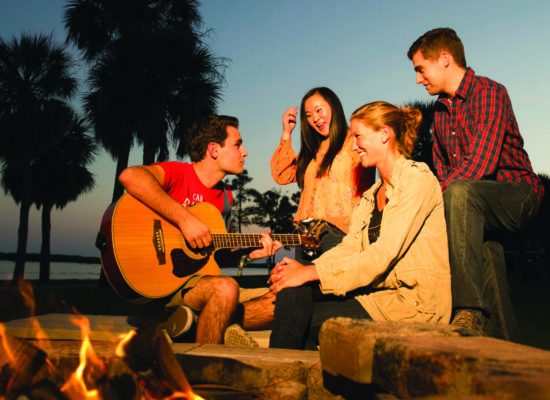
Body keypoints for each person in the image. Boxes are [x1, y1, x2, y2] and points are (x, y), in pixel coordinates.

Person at [268, 101, 452, 350]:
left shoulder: (417, 181)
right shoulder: (370, 197)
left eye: (358, 136)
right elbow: (349, 248)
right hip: (378, 296)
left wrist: (311, 272)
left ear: (384, 134)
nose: (354, 146)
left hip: (412, 305)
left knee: (305, 318)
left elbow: (383, 254)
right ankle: (287, 373)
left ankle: (279, 371)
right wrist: (303, 270)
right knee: (293, 288)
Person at [407, 28, 544, 342]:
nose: (418, 79)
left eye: (420, 69)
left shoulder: (489, 92)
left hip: (518, 194)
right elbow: (445, 176)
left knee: (459, 192)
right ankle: (508, 350)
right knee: (487, 262)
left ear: (444, 59)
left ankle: (467, 309)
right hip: (473, 204)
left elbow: (478, 166)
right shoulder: (440, 114)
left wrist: (424, 201)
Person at [118, 114, 282, 345]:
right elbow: (130, 176)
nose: (245, 152)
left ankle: (194, 322)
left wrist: (248, 252)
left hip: (200, 284)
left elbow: (212, 254)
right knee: (226, 288)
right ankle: (204, 366)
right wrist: (185, 219)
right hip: (163, 287)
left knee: (284, 300)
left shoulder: (225, 197)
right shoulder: (179, 174)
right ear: (214, 150)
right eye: (237, 145)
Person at [269, 87, 375, 348]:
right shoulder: (311, 152)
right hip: (306, 234)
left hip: (340, 233)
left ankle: (287, 361)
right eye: (308, 115)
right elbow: (281, 174)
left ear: (333, 107)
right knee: (291, 286)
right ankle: (287, 362)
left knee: (320, 292)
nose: (315, 118)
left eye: (319, 109)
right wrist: (287, 133)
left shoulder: (354, 142)